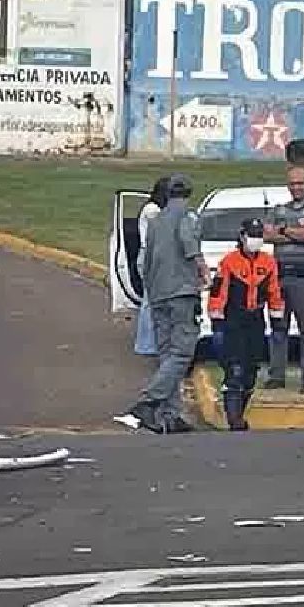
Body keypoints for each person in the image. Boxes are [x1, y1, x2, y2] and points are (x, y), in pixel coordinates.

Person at [119, 173, 210, 434]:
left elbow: (144, 261)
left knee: (167, 354)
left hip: (157, 295)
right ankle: (149, 401)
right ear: (188, 194)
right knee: (182, 353)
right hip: (181, 293)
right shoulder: (188, 217)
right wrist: (204, 272)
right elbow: (189, 245)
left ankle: (170, 415)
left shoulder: (155, 220)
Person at [208, 217, 286, 430]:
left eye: (259, 236)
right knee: (235, 369)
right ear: (242, 237)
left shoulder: (268, 262)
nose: (255, 240)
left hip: (255, 320)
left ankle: (239, 413)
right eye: (251, 235)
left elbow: (274, 292)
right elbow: (218, 292)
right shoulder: (229, 262)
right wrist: (217, 321)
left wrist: (277, 319)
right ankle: (234, 420)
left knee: (251, 370)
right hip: (233, 320)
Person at [262, 166, 304, 393]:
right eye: (293, 184)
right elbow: (267, 234)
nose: (297, 187)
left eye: (301, 183)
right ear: (288, 185)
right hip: (280, 276)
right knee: (278, 327)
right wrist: (294, 231)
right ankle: (276, 376)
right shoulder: (278, 209)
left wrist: (284, 231)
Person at [133, 177, 171, 357]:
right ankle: (146, 344)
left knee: (155, 301)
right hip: (150, 258)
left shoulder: (156, 209)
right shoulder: (152, 210)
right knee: (150, 302)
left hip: (155, 257)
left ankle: (154, 342)